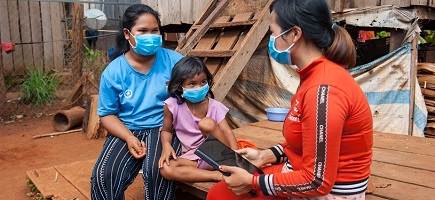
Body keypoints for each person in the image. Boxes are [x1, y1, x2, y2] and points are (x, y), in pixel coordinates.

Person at [207, 0, 373, 199]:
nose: (272, 39)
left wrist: (252, 182)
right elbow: (305, 142)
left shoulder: (324, 91)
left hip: (329, 192)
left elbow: (317, 182)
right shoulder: (313, 76)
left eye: (273, 31)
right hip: (301, 171)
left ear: (295, 34)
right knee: (221, 192)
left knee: (223, 195)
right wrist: (264, 155)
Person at [90, 4, 183, 200]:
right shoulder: (114, 72)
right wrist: (129, 137)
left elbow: (192, 97)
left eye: (155, 30)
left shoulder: (175, 62)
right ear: (127, 33)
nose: (150, 35)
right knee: (104, 176)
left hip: (164, 128)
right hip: (128, 129)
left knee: (158, 171)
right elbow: (107, 114)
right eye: (142, 31)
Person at [158, 56, 239, 182]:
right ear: (179, 87)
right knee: (166, 168)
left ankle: (227, 167)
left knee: (207, 123)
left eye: (203, 82)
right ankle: (218, 176)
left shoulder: (215, 106)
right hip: (194, 157)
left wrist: (236, 157)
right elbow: (167, 130)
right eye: (192, 84)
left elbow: (227, 131)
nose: (199, 87)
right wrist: (166, 145)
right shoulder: (172, 106)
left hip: (220, 155)